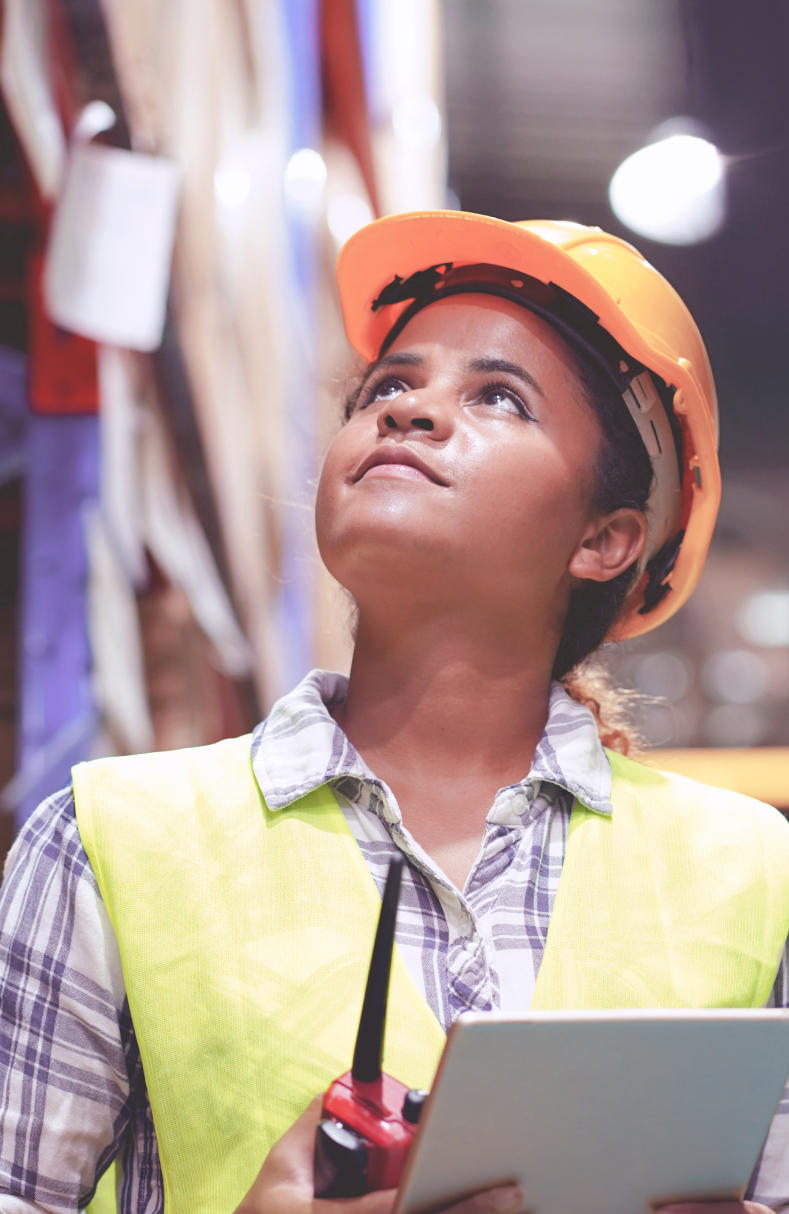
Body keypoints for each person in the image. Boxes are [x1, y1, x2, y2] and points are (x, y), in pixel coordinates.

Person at [1, 210, 788, 1214]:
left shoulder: (753, 874)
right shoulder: (108, 840)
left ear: (607, 537)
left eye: (499, 396)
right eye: (387, 387)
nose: (410, 414)